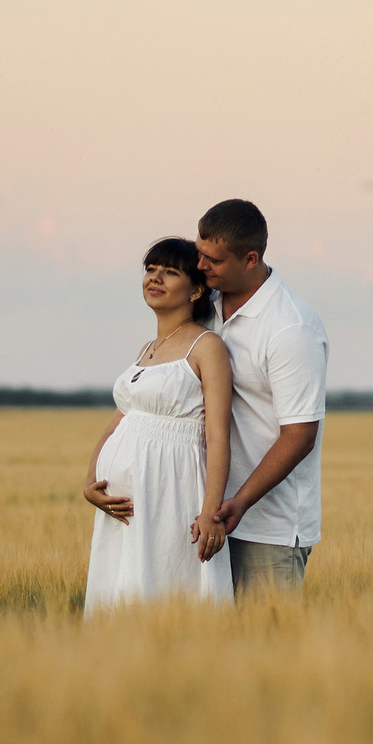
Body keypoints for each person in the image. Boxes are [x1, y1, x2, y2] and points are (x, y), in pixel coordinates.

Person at [80, 237, 234, 613]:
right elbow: (119, 422)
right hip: (126, 509)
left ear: (197, 289)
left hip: (171, 493)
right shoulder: (145, 349)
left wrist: (211, 511)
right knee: (121, 592)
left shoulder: (206, 346)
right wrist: (90, 482)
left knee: (164, 587)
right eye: (151, 269)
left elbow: (217, 435)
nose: (155, 278)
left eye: (169, 272)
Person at [194, 199, 328, 599]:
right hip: (203, 517)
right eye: (198, 253)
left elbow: (300, 434)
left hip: (269, 526)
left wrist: (242, 501)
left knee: (269, 654)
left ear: (250, 258)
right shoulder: (205, 308)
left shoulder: (290, 327)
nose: (199, 266)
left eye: (213, 260)